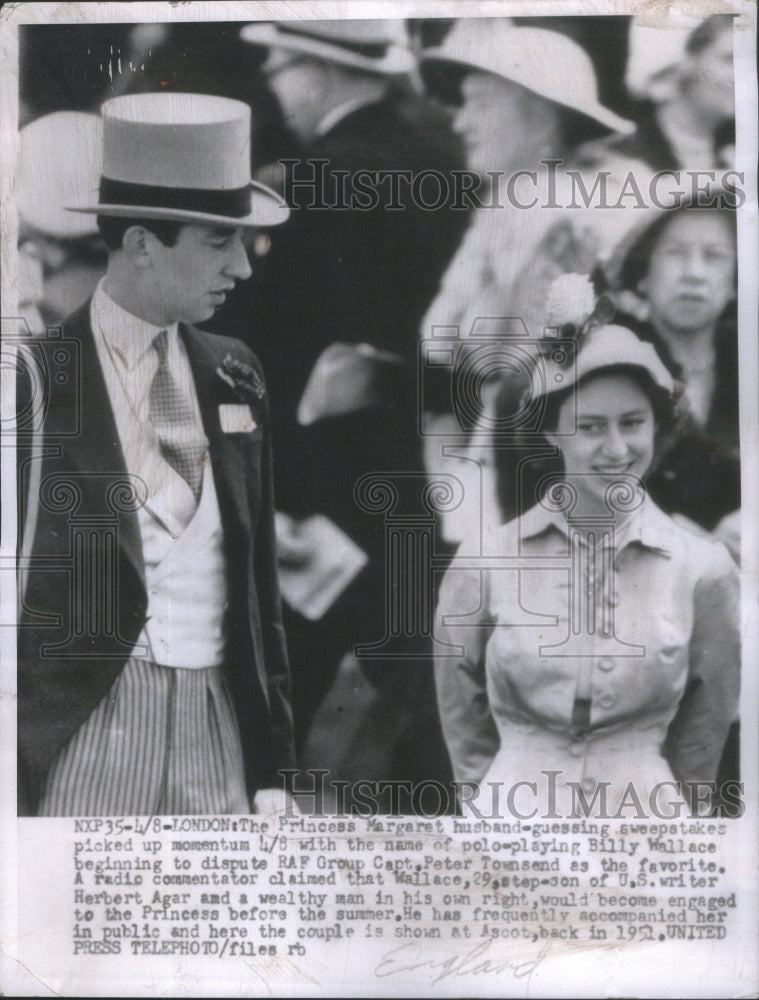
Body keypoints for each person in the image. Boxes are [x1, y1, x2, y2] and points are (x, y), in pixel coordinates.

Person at [17, 92, 296, 816]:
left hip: (217, 723)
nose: (241, 267)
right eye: (216, 240)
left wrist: (270, 769)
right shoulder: (34, 378)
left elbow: (258, 590)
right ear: (141, 243)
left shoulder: (236, 371)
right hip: (82, 727)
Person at [434, 321, 740, 818]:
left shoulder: (702, 568)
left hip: (647, 823)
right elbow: (460, 706)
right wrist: (488, 799)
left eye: (633, 423)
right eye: (591, 426)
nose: (617, 449)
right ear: (552, 430)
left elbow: (704, 729)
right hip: (511, 816)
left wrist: (677, 815)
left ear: (657, 427)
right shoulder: (483, 560)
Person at [609, 201, 739, 530]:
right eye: (675, 252)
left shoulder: (743, 369)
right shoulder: (612, 368)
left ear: (735, 281)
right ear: (643, 276)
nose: (694, 273)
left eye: (714, 256)